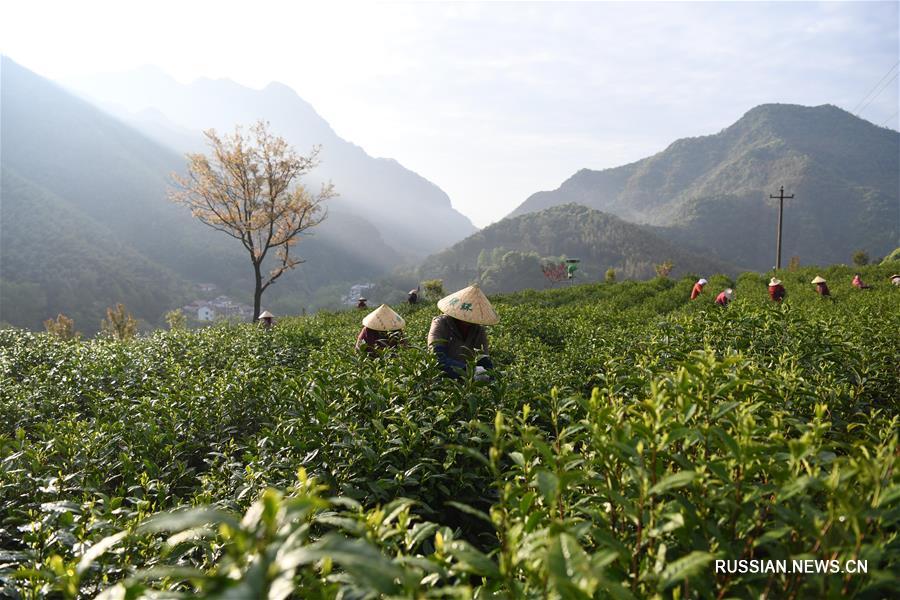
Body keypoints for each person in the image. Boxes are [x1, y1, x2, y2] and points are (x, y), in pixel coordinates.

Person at [428, 283, 498, 381]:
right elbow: (437, 358)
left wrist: (491, 377)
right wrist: (468, 370)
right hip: (442, 380)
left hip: (467, 383)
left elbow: (484, 360)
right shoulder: (441, 324)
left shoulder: (478, 330)